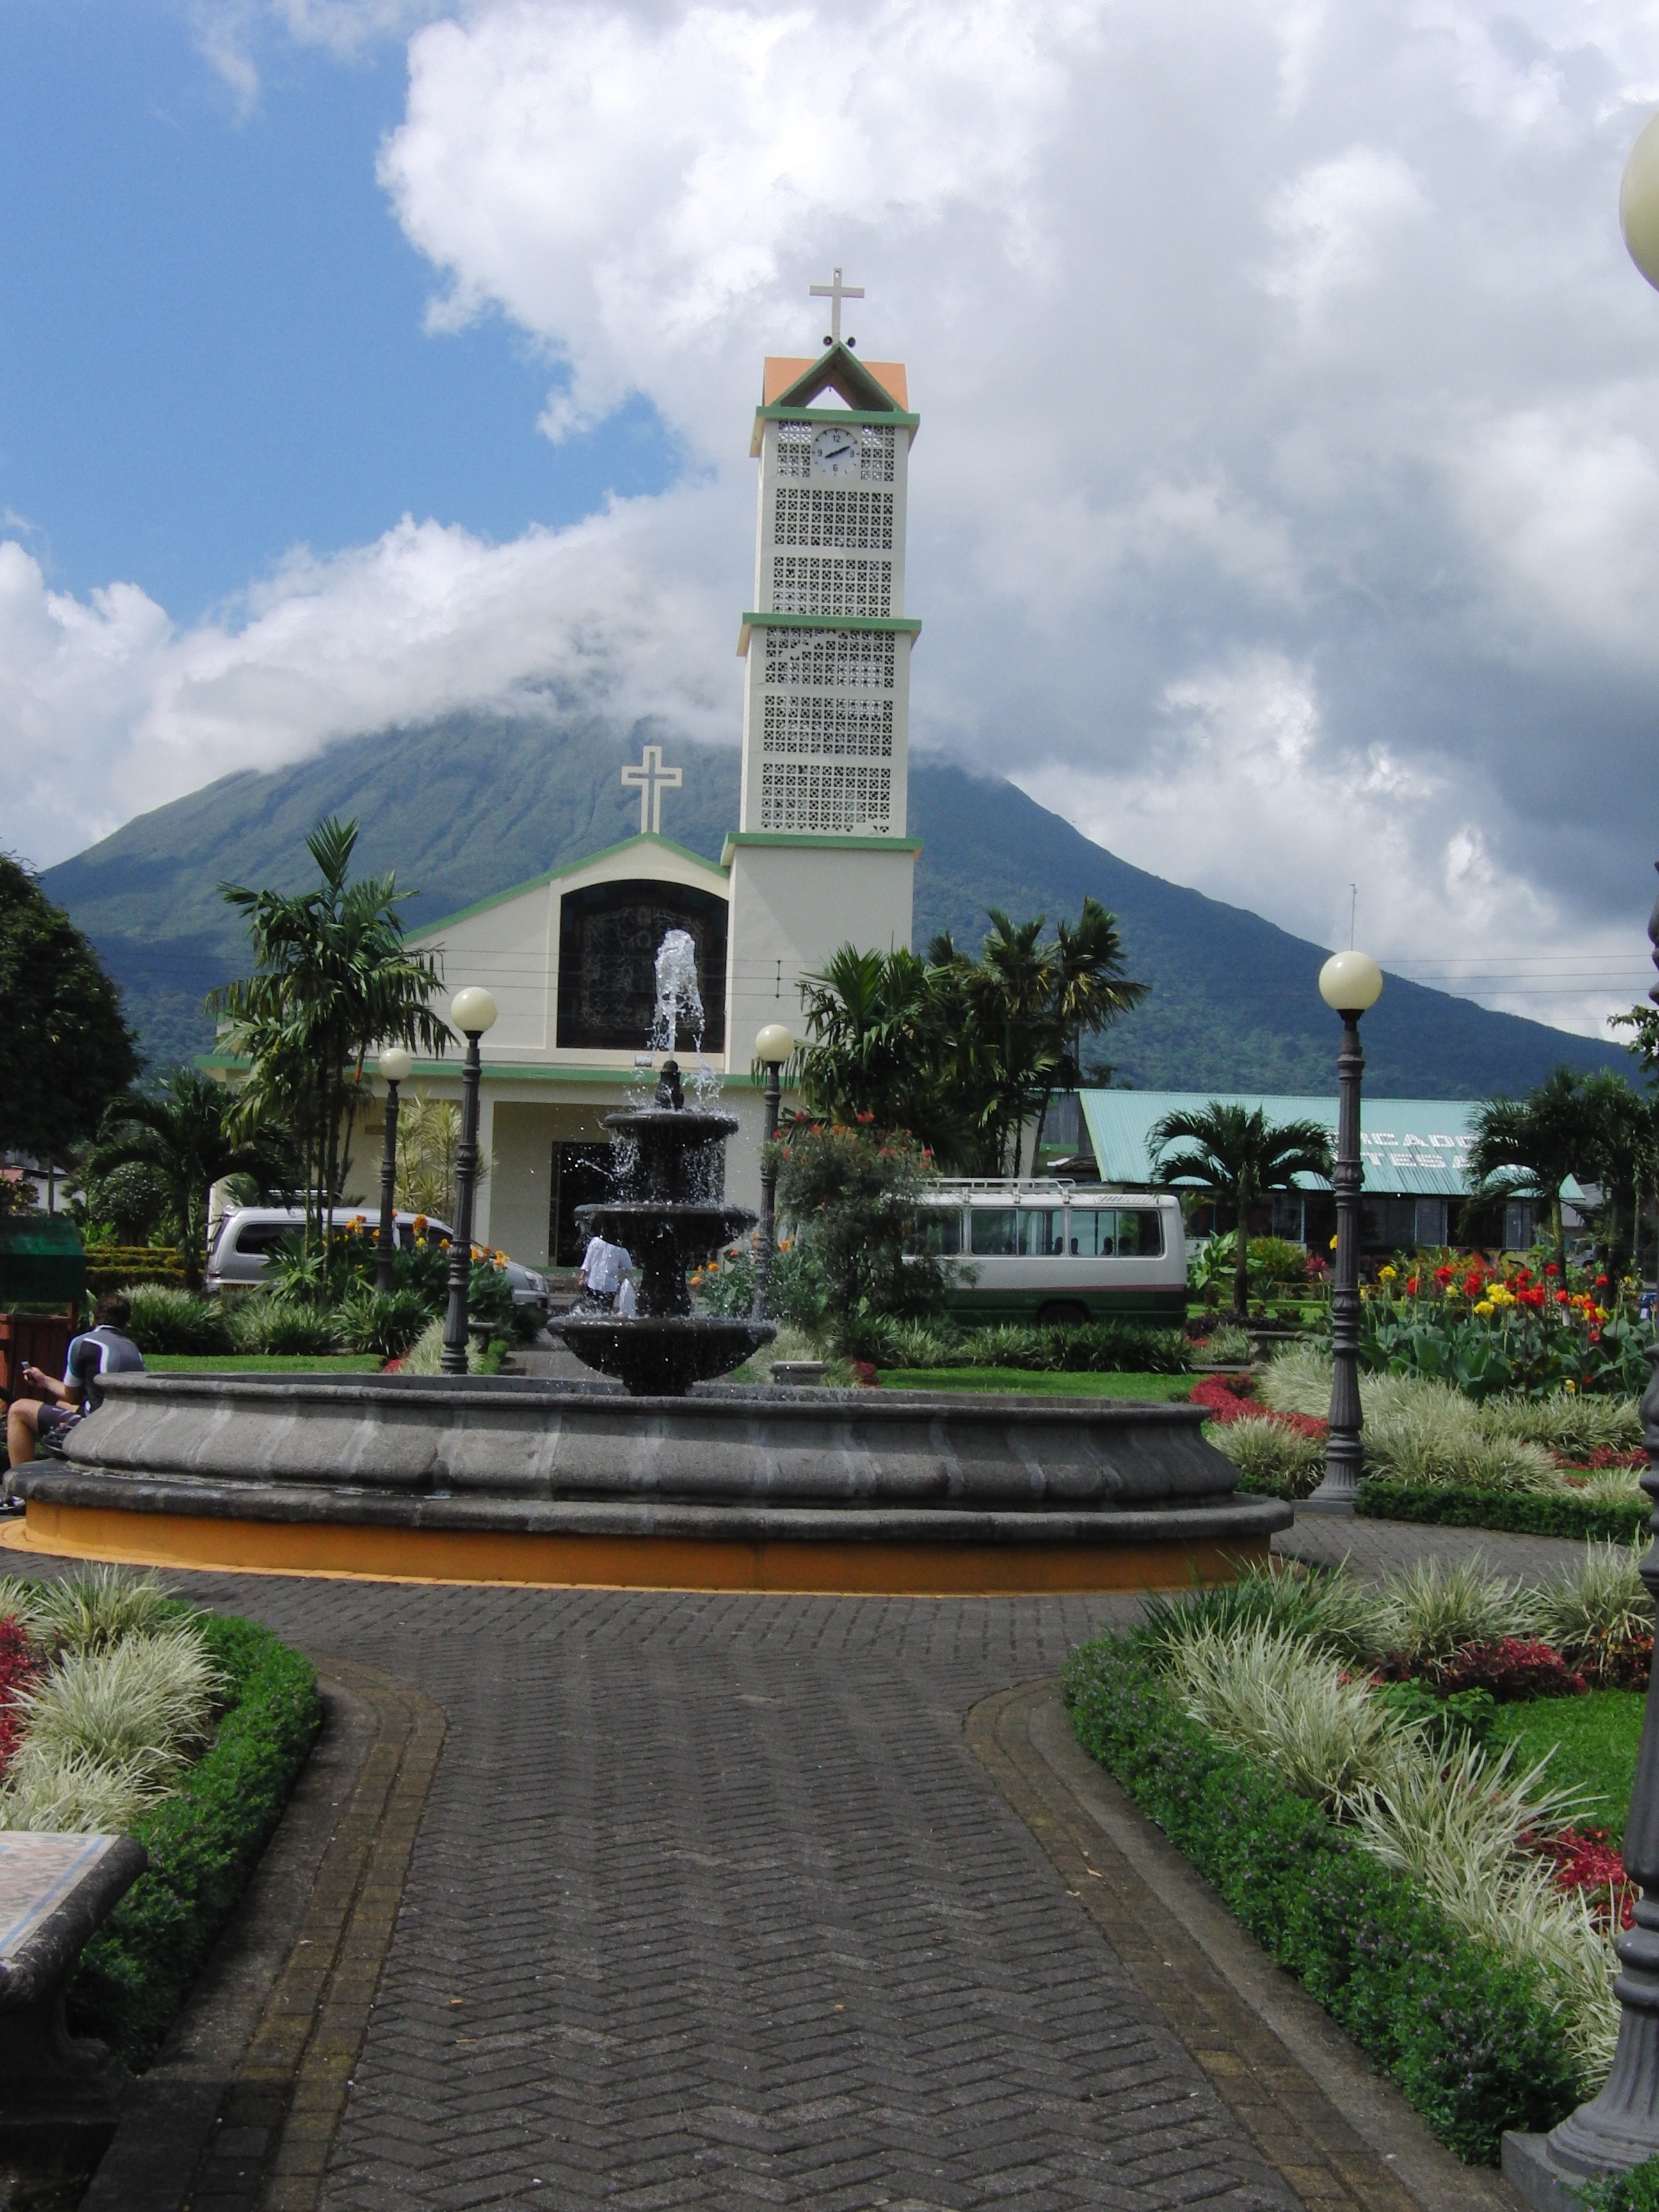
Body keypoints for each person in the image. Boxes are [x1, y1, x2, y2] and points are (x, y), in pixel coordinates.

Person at [5, 1293, 146, 1498]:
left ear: (95, 1318)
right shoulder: (132, 1349)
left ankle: (20, 1493)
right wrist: (44, 1380)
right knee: (60, 1405)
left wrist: (43, 1381)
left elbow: (71, 1395)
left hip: (97, 1427)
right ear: (126, 1322)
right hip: (123, 1426)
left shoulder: (84, 1343)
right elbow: (71, 1400)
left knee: (18, 1410)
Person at [578, 1234, 629, 1311]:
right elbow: (628, 1268)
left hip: (593, 1283)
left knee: (591, 1310)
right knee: (606, 1311)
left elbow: (587, 1262)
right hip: (610, 1286)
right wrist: (620, 1281)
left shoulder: (595, 1242)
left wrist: (582, 1277)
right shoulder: (620, 1249)